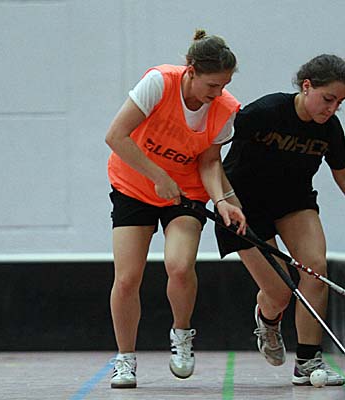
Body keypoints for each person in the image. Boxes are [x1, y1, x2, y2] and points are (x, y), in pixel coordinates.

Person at [215, 54, 345, 386]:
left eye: (339, 103)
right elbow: (209, 153)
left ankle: (307, 362)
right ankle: (267, 318)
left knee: (315, 269)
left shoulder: (330, 129)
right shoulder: (263, 112)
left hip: (294, 203)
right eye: (328, 98)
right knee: (280, 293)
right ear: (306, 86)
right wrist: (221, 199)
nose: (332, 108)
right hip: (243, 207)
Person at [105, 29, 246, 389]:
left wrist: (222, 201)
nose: (218, 93)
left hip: (185, 194)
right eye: (212, 85)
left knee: (180, 266)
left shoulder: (225, 109)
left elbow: (210, 161)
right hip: (134, 185)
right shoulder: (158, 83)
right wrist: (158, 176)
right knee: (127, 278)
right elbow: (116, 136)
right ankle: (125, 359)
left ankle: (181, 334)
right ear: (191, 71)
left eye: (224, 85)